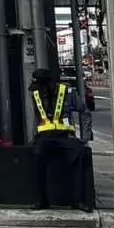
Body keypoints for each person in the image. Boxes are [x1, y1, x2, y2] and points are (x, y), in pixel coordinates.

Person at [31, 68, 95, 211]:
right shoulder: (36, 93)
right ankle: (41, 201)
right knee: (36, 156)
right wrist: (35, 136)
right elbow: (37, 118)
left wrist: (84, 138)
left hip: (65, 136)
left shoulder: (66, 92)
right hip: (45, 136)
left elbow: (84, 111)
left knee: (79, 155)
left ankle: (78, 201)